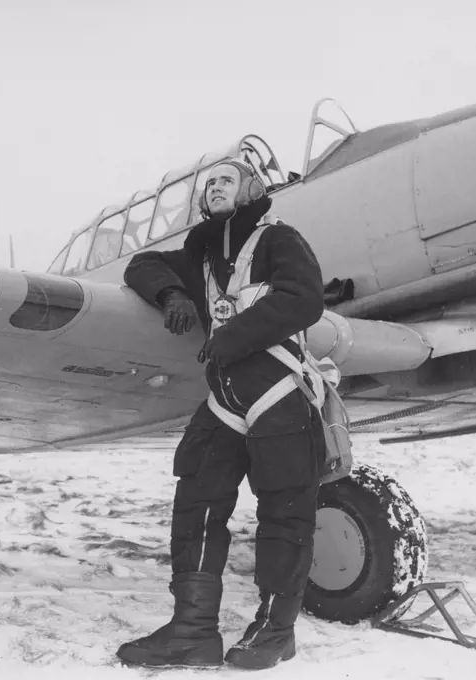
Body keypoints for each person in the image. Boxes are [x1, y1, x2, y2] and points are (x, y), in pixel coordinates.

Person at [117, 158, 326, 671]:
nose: (214, 187)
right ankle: (191, 630)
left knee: (285, 513)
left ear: (251, 188)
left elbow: (305, 299)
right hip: (226, 399)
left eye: (225, 180)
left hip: (279, 389)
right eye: (208, 183)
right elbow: (140, 264)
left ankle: (276, 630)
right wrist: (172, 294)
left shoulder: (280, 239)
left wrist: (231, 335)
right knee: (197, 502)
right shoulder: (201, 254)